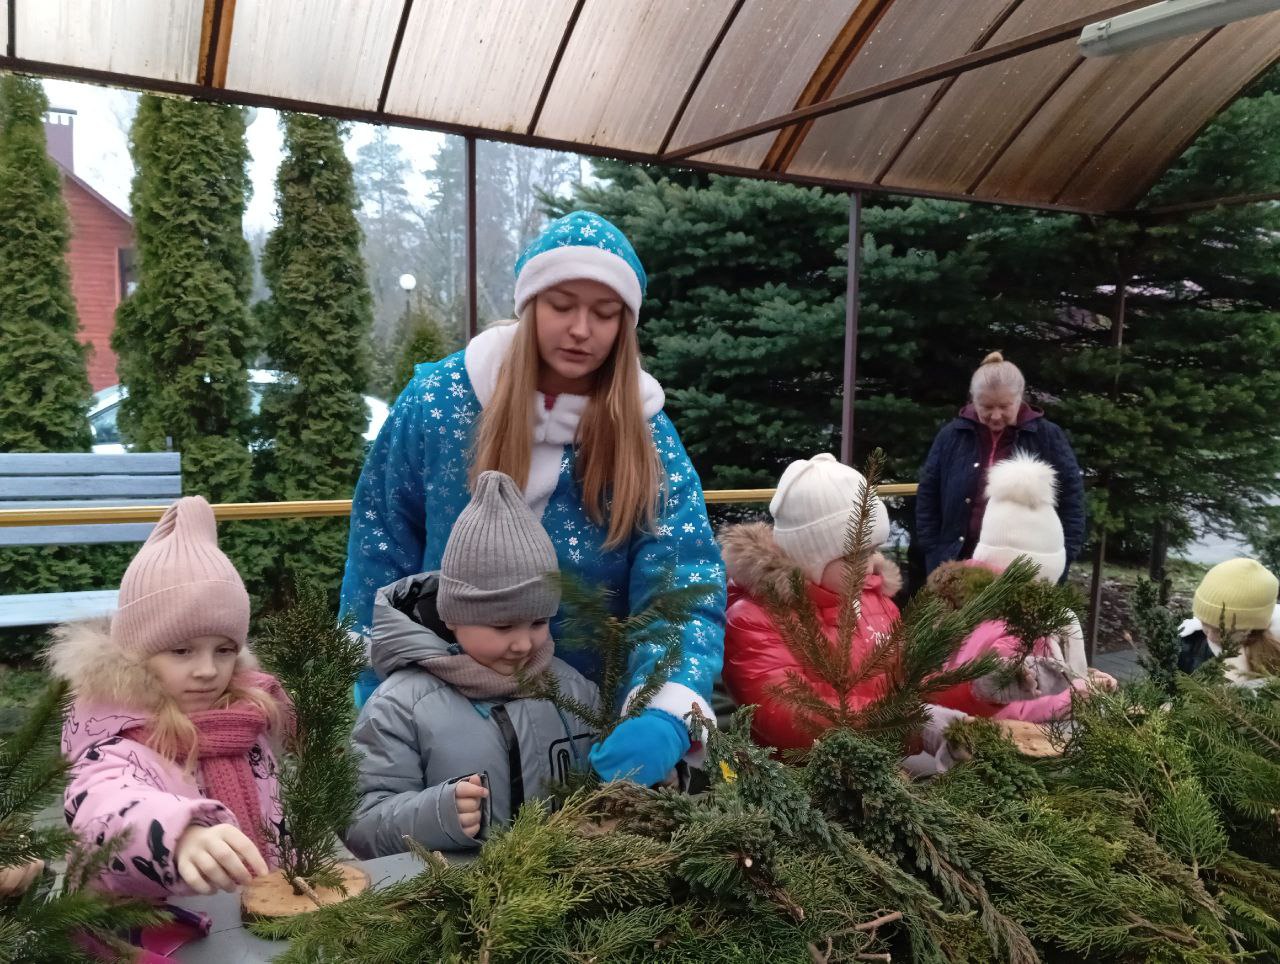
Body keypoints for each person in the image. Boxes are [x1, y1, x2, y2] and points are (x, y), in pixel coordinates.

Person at [341, 211, 724, 788]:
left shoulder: (647, 436)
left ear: (626, 324)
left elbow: (682, 582)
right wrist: (369, 688)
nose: (581, 330)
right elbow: (380, 547)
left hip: (590, 738)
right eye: (562, 305)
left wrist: (663, 708)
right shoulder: (439, 404)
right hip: (438, 731)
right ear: (529, 304)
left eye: (604, 313)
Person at [345, 471, 600, 857]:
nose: (523, 644)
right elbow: (360, 823)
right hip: (454, 891)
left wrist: (656, 782)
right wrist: (437, 816)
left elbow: (608, 788)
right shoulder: (398, 707)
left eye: (539, 622)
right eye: (502, 626)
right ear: (453, 617)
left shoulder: (574, 690)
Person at [46, 497, 287, 903]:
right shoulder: (116, 739)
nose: (207, 670)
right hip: (153, 930)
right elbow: (103, 808)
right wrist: (178, 835)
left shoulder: (245, 720)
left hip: (250, 917)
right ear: (137, 654)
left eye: (224, 650)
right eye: (181, 651)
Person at [719, 453, 966, 771]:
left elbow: (913, 680)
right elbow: (788, 715)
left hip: (878, 760)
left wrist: (979, 686)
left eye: (873, 550)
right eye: (853, 556)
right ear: (810, 558)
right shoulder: (754, 618)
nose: (870, 566)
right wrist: (911, 724)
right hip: (799, 778)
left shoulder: (875, 601)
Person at [928, 454, 1114, 722]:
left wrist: (1085, 679)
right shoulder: (1014, 629)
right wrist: (1076, 696)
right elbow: (1007, 708)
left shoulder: (976, 605)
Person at [916, 351, 1084, 579]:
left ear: (1020, 398)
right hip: (954, 563)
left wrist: (1065, 556)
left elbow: (1072, 499)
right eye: (986, 406)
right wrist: (933, 550)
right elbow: (928, 494)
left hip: (1029, 573)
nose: (996, 416)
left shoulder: (1047, 437)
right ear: (973, 400)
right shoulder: (951, 436)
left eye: (1005, 406)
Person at [1178, 558, 1280, 684]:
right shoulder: (1188, 641)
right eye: (1204, 623)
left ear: (1253, 626)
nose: (1210, 636)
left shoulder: (1272, 649)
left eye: (1222, 630)